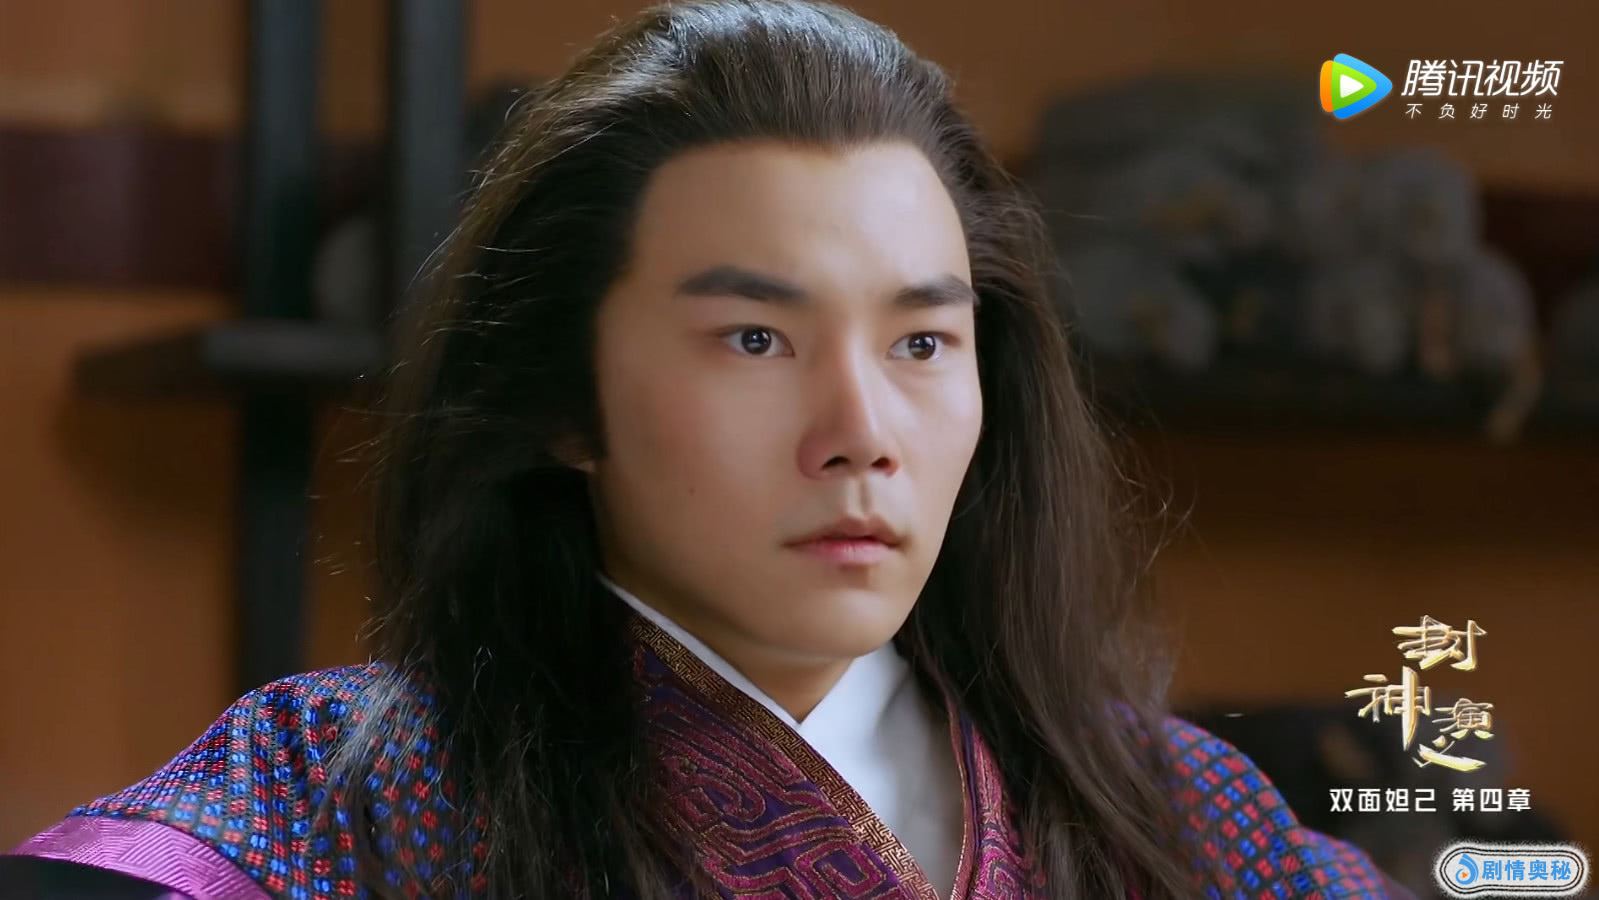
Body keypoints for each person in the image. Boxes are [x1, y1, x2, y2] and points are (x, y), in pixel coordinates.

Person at [3, 2, 1414, 897]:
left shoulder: (1179, 820)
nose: (861, 436)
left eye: (923, 343)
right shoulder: (339, 799)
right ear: (564, 400)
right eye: (754, 339)